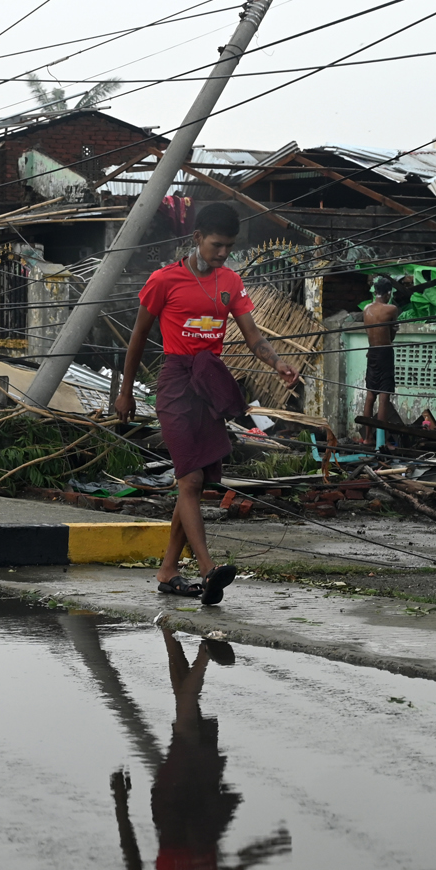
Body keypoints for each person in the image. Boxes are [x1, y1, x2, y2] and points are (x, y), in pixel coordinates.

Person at [114, 202, 299, 605]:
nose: (222, 253)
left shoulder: (231, 281)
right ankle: (207, 569)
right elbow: (138, 338)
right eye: (216, 245)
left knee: (194, 481)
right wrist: (125, 391)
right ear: (197, 238)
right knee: (191, 480)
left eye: (228, 247)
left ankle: (168, 570)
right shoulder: (164, 280)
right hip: (176, 380)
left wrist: (278, 361)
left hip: (210, 379)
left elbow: (253, 336)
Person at [110, 627, 290, 870]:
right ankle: (169, 632)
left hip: (172, 812)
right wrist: (269, 847)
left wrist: (120, 800)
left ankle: (204, 651)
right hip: (206, 810)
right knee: (187, 716)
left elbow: (131, 853)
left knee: (186, 730)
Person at [359, 276, 400, 444]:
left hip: (372, 351)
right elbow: (391, 335)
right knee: (384, 396)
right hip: (384, 352)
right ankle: (381, 441)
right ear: (388, 293)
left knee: (370, 394)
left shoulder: (366, 309)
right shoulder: (391, 309)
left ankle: (367, 437)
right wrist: (393, 330)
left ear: (375, 292)